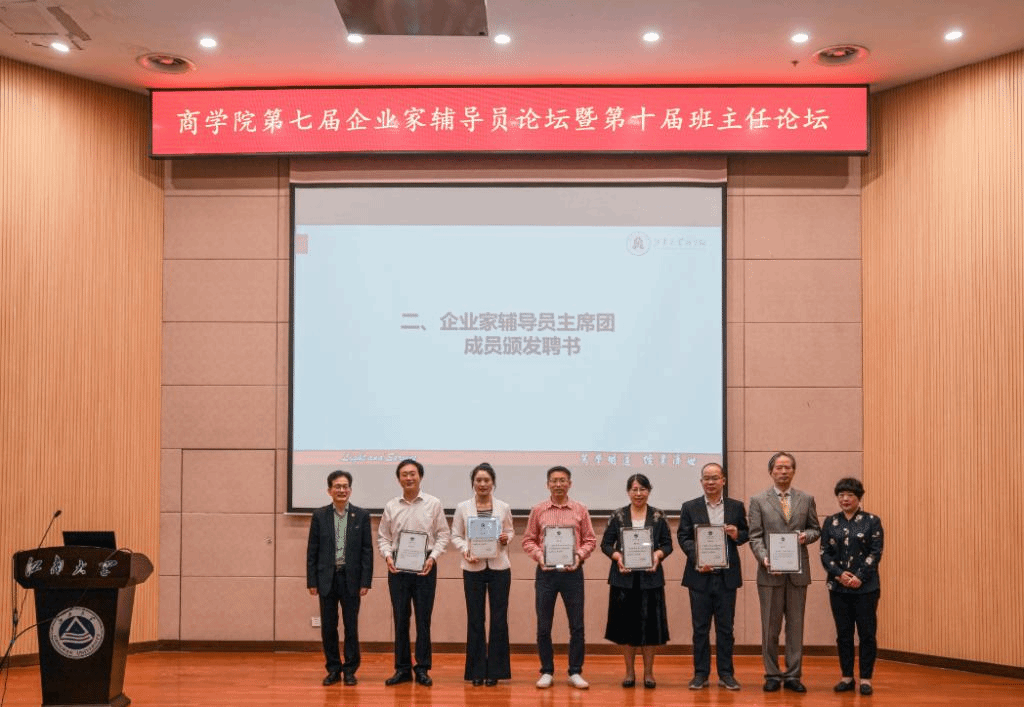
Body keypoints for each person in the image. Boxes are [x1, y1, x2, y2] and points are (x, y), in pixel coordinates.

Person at [748, 451, 821, 693]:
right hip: (770, 573)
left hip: (798, 573)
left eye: (787, 467)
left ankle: (793, 675)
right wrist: (764, 558)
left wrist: (805, 536)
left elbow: (815, 529)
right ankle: (771, 673)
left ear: (794, 471)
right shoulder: (758, 500)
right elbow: (755, 536)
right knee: (770, 628)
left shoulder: (806, 499)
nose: (783, 471)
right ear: (771, 472)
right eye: (778, 467)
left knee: (795, 627)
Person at [522, 465, 596, 690]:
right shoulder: (538, 510)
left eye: (563, 480)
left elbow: (590, 540)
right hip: (546, 574)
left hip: (573, 573)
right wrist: (539, 556)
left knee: (577, 626)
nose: (558, 484)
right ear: (548, 484)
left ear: (569, 484)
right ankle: (546, 670)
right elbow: (528, 540)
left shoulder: (580, 509)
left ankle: (575, 671)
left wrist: (579, 556)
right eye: (554, 480)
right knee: (544, 626)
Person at [377, 458, 450, 687]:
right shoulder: (391, 506)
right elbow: (383, 537)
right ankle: (402, 669)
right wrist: (388, 556)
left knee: (423, 619)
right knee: (400, 619)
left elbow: (443, 535)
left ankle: (422, 668)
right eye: (404, 474)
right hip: (397, 567)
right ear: (398, 479)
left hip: (425, 566)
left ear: (420, 476)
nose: (409, 478)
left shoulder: (433, 503)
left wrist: (432, 558)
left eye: (413, 474)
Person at [678, 462, 749, 691]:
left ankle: (726, 674)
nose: (711, 482)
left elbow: (746, 533)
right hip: (700, 576)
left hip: (727, 577)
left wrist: (737, 534)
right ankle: (700, 674)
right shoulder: (690, 507)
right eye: (707, 478)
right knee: (700, 629)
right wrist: (698, 556)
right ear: (701, 482)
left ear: (723, 481)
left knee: (726, 629)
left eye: (715, 478)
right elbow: (683, 537)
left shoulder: (736, 507)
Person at [601, 473, 673, 689]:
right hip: (623, 580)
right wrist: (618, 557)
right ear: (628, 492)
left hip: (651, 579)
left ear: (649, 491)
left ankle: (649, 673)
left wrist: (658, 555)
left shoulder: (658, 516)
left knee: (650, 628)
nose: (638, 493)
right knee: (626, 628)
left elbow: (667, 544)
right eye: (634, 489)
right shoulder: (618, 515)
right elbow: (606, 544)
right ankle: (629, 672)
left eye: (642, 489)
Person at [306, 470, 373, 686]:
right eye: (337, 486)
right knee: (328, 627)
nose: (341, 490)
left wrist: (365, 581)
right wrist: (312, 581)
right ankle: (333, 669)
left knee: (351, 627)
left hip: (351, 579)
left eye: (345, 486)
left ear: (350, 490)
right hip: (327, 579)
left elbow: (367, 551)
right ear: (329, 490)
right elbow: (312, 550)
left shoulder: (361, 516)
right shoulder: (319, 515)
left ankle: (350, 670)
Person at [450, 463, 514, 686]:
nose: (483, 484)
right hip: (473, 568)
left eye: (487, 480)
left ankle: (496, 671)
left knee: (499, 620)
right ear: (473, 483)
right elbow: (456, 535)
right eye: (478, 480)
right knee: (475, 619)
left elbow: (510, 531)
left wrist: (506, 538)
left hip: (499, 568)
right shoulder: (462, 507)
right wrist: (465, 550)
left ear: (493, 482)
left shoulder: (503, 507)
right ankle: (476, 671)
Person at [821, 477, 884, 696]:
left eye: (850, 495)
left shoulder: (872, 521)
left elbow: (875, 552)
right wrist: (839, 574)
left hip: (866, 588)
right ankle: (846, 677)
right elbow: (824, 553)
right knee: (843, 634)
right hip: (838, 588)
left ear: (859, 497)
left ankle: (866, 679)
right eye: (841, 495)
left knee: (867, 634)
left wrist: (859, 576)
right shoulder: (830, 522)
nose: (845, 499)